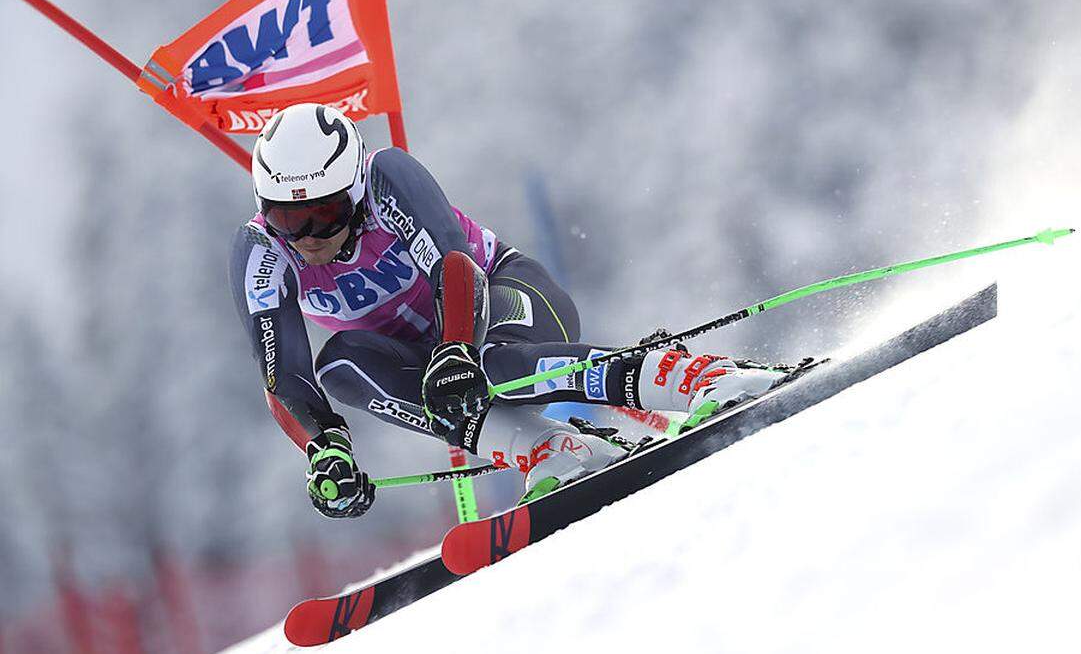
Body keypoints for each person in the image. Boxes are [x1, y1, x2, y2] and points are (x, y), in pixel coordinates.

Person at [230, 103, 790, 519]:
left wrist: (455, 349)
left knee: (493, 364)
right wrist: (324, 447)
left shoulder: (384, 177)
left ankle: (693, 376)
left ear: (351, 192)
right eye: (286, 218)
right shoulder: (260, 252)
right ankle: (547, 451)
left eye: (323, 213)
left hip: (503, 295)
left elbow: (455, 265)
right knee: (339, 365)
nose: (305, 237)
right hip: (431, 360)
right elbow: (284, 374)